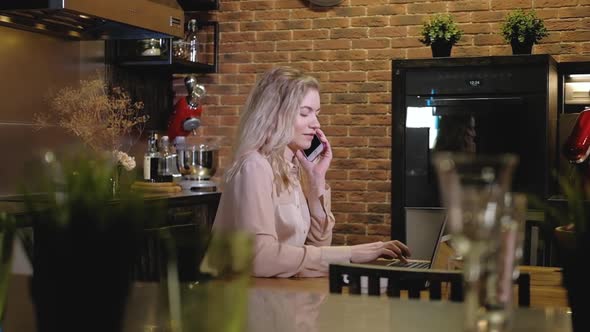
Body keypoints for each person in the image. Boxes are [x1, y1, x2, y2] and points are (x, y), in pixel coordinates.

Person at [205, 67, 410, 278]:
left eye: (317, 113)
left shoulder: (293, 167)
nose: (316, 124)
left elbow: (317, 245)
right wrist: (352, 254)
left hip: (278, 297)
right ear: (274, 115)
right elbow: (259, 258)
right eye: (305, 112)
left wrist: (315, 181)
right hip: (239, 302)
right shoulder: (254, 166)